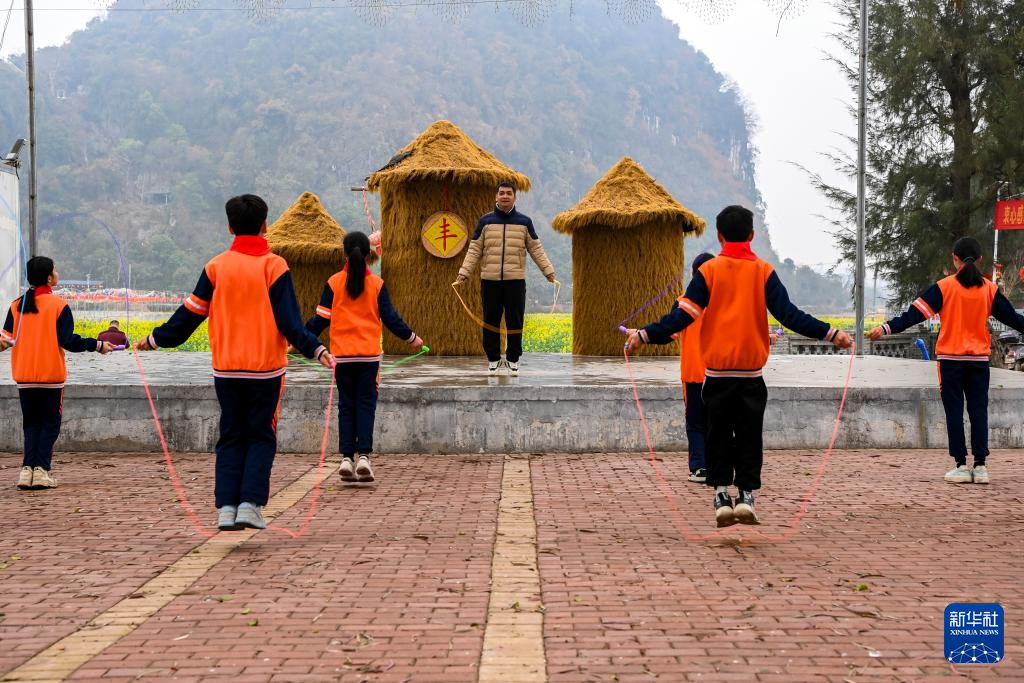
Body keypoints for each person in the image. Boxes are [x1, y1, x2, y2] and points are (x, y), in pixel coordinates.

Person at [627, 206, 852, 527]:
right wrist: (831, 333)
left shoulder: (708, 273)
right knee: (749, 436)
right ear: (751, 235)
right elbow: (790, 315)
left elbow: (681, 317)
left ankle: (721, 496)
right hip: (751, 376)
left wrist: (645, 334)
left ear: (719, 236)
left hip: (717, 376)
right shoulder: (763, 271)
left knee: (716, 435)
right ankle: (745, 495)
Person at [135, 194, 335, 531]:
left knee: (230, 436)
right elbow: (290, 322)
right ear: (265, 226)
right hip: (266, 370)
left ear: (230, 227)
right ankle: (250, 504)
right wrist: (316, 349)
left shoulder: (216, 267)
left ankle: (226, 508)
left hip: (226, 370)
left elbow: (188, 317)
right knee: (260, 436)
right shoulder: (275, 266)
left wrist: (154, 340)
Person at [869, 236, 1024, 484]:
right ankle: (981, 466)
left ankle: (961, 466)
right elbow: (1015, 320)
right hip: (979, 361)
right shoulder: (989, 290)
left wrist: (886, 328)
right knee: (978, 410)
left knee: (954, 411)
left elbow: (912, 316)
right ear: (981, 260)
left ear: (954, 259)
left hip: (950, 361)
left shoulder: (944, 287)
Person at [306, 231, 424, 483]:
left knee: (346, 406)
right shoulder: (377, 285)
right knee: (366, 406)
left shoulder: (333, 283)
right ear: (369, 255)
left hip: (343, 358)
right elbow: (391, 318)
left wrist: (301, 340)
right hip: (369, 358)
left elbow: (320, 321)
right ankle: (364, 458)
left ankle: (346, 458)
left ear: (344, 254)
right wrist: (413, 338)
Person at [0, 256, 114, 490]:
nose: (57, 272)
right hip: (50, 378)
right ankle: (42, 470)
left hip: (24, 377)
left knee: (31, 425)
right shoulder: (59, 305)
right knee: (49, 425)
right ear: (49, 278)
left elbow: (5, 340)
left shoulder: (16, 305)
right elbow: (68, 341)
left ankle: (26, 471)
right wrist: (97, 345)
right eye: (56, 270)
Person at [456, 182, 556, 376]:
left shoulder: (524, 222)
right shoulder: (485, 221)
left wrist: (548, 271)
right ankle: (493, 359)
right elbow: (475, 249)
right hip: (490, 281)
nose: (505, 196)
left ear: (514, 198)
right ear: (496, 197)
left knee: (515, 321)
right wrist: (464, 272)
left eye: (509, 193)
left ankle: (513, 359)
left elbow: (535, 248)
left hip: (515, 281)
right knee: (491, 320)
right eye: (501, 193)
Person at [680, 252, 715, 484]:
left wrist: (641, 335)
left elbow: (669, 330)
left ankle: (699, 468)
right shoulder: (725, 304)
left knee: (695, 423)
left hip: (694, 374)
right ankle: (717, 467)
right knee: (717, 423)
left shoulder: (684, 303)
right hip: (718, 374)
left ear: (693, 276)